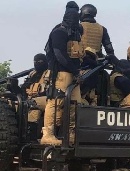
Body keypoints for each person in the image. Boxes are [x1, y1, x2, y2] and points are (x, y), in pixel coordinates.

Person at [41, 6, 84, 145]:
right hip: (60, 73)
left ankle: (71, 135)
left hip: (74, 75)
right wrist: (74, 69)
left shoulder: (75, 34)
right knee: (55, 103)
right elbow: (59, 55)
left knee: (75, 105)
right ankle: (48, 134)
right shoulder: (59, 32)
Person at [21, 53, 50, 125]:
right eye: (35, 62)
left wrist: (39, 94)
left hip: (44, 99)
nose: (36, 64)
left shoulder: (49, 73)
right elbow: (24, 87)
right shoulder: (32, 74)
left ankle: (31, 129)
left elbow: (50, 90)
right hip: (28, 99)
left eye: (39, 62)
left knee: (33, 106)